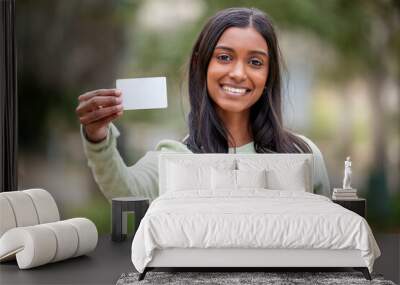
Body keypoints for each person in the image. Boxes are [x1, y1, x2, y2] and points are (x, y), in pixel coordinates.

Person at [76, 7, 331, 203]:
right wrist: (97, 138)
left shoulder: (303, 154)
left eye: (255, 62)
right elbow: (125, 190)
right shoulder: (175, 158)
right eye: (224, 57)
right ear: (201, 64)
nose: (239, 73)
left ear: (268, 76)